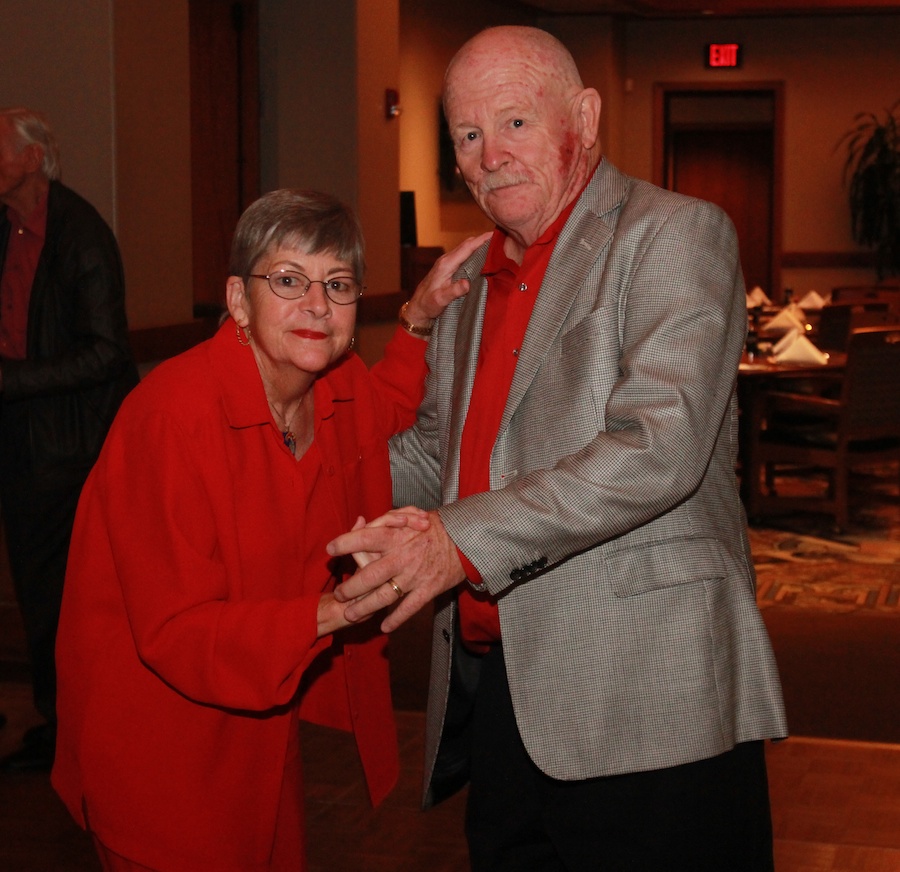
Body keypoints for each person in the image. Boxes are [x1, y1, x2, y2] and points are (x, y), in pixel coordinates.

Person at [326, 25, 789, 871]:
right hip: (506, 693)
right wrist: (299, 467)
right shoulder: (468, 286)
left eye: (514, 123)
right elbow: (434, 456)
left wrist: (455, 540)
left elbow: (659, 446)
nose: (489, 154)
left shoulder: (674, 234)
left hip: (650, 698)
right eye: (468, 134)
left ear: (584, 116)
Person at [51, 188, 487, 871]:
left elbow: (389, 409)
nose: (317, 305)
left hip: (258, 731)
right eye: (288, 280)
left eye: (337, 285)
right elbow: (175, 631)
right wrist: (332, 611)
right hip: (159, 742)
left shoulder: (333, 389)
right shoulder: (172, 418)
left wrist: (418, 319)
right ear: (237, 299)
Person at [0, 107, 138, 772]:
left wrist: (12, 381)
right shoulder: (10, 229)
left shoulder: (79, 234)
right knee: (36, 591)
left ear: (31, 159)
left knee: (57, 597)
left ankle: (69, 736)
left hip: (63, 450)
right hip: (21, 440)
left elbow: (109, 353)